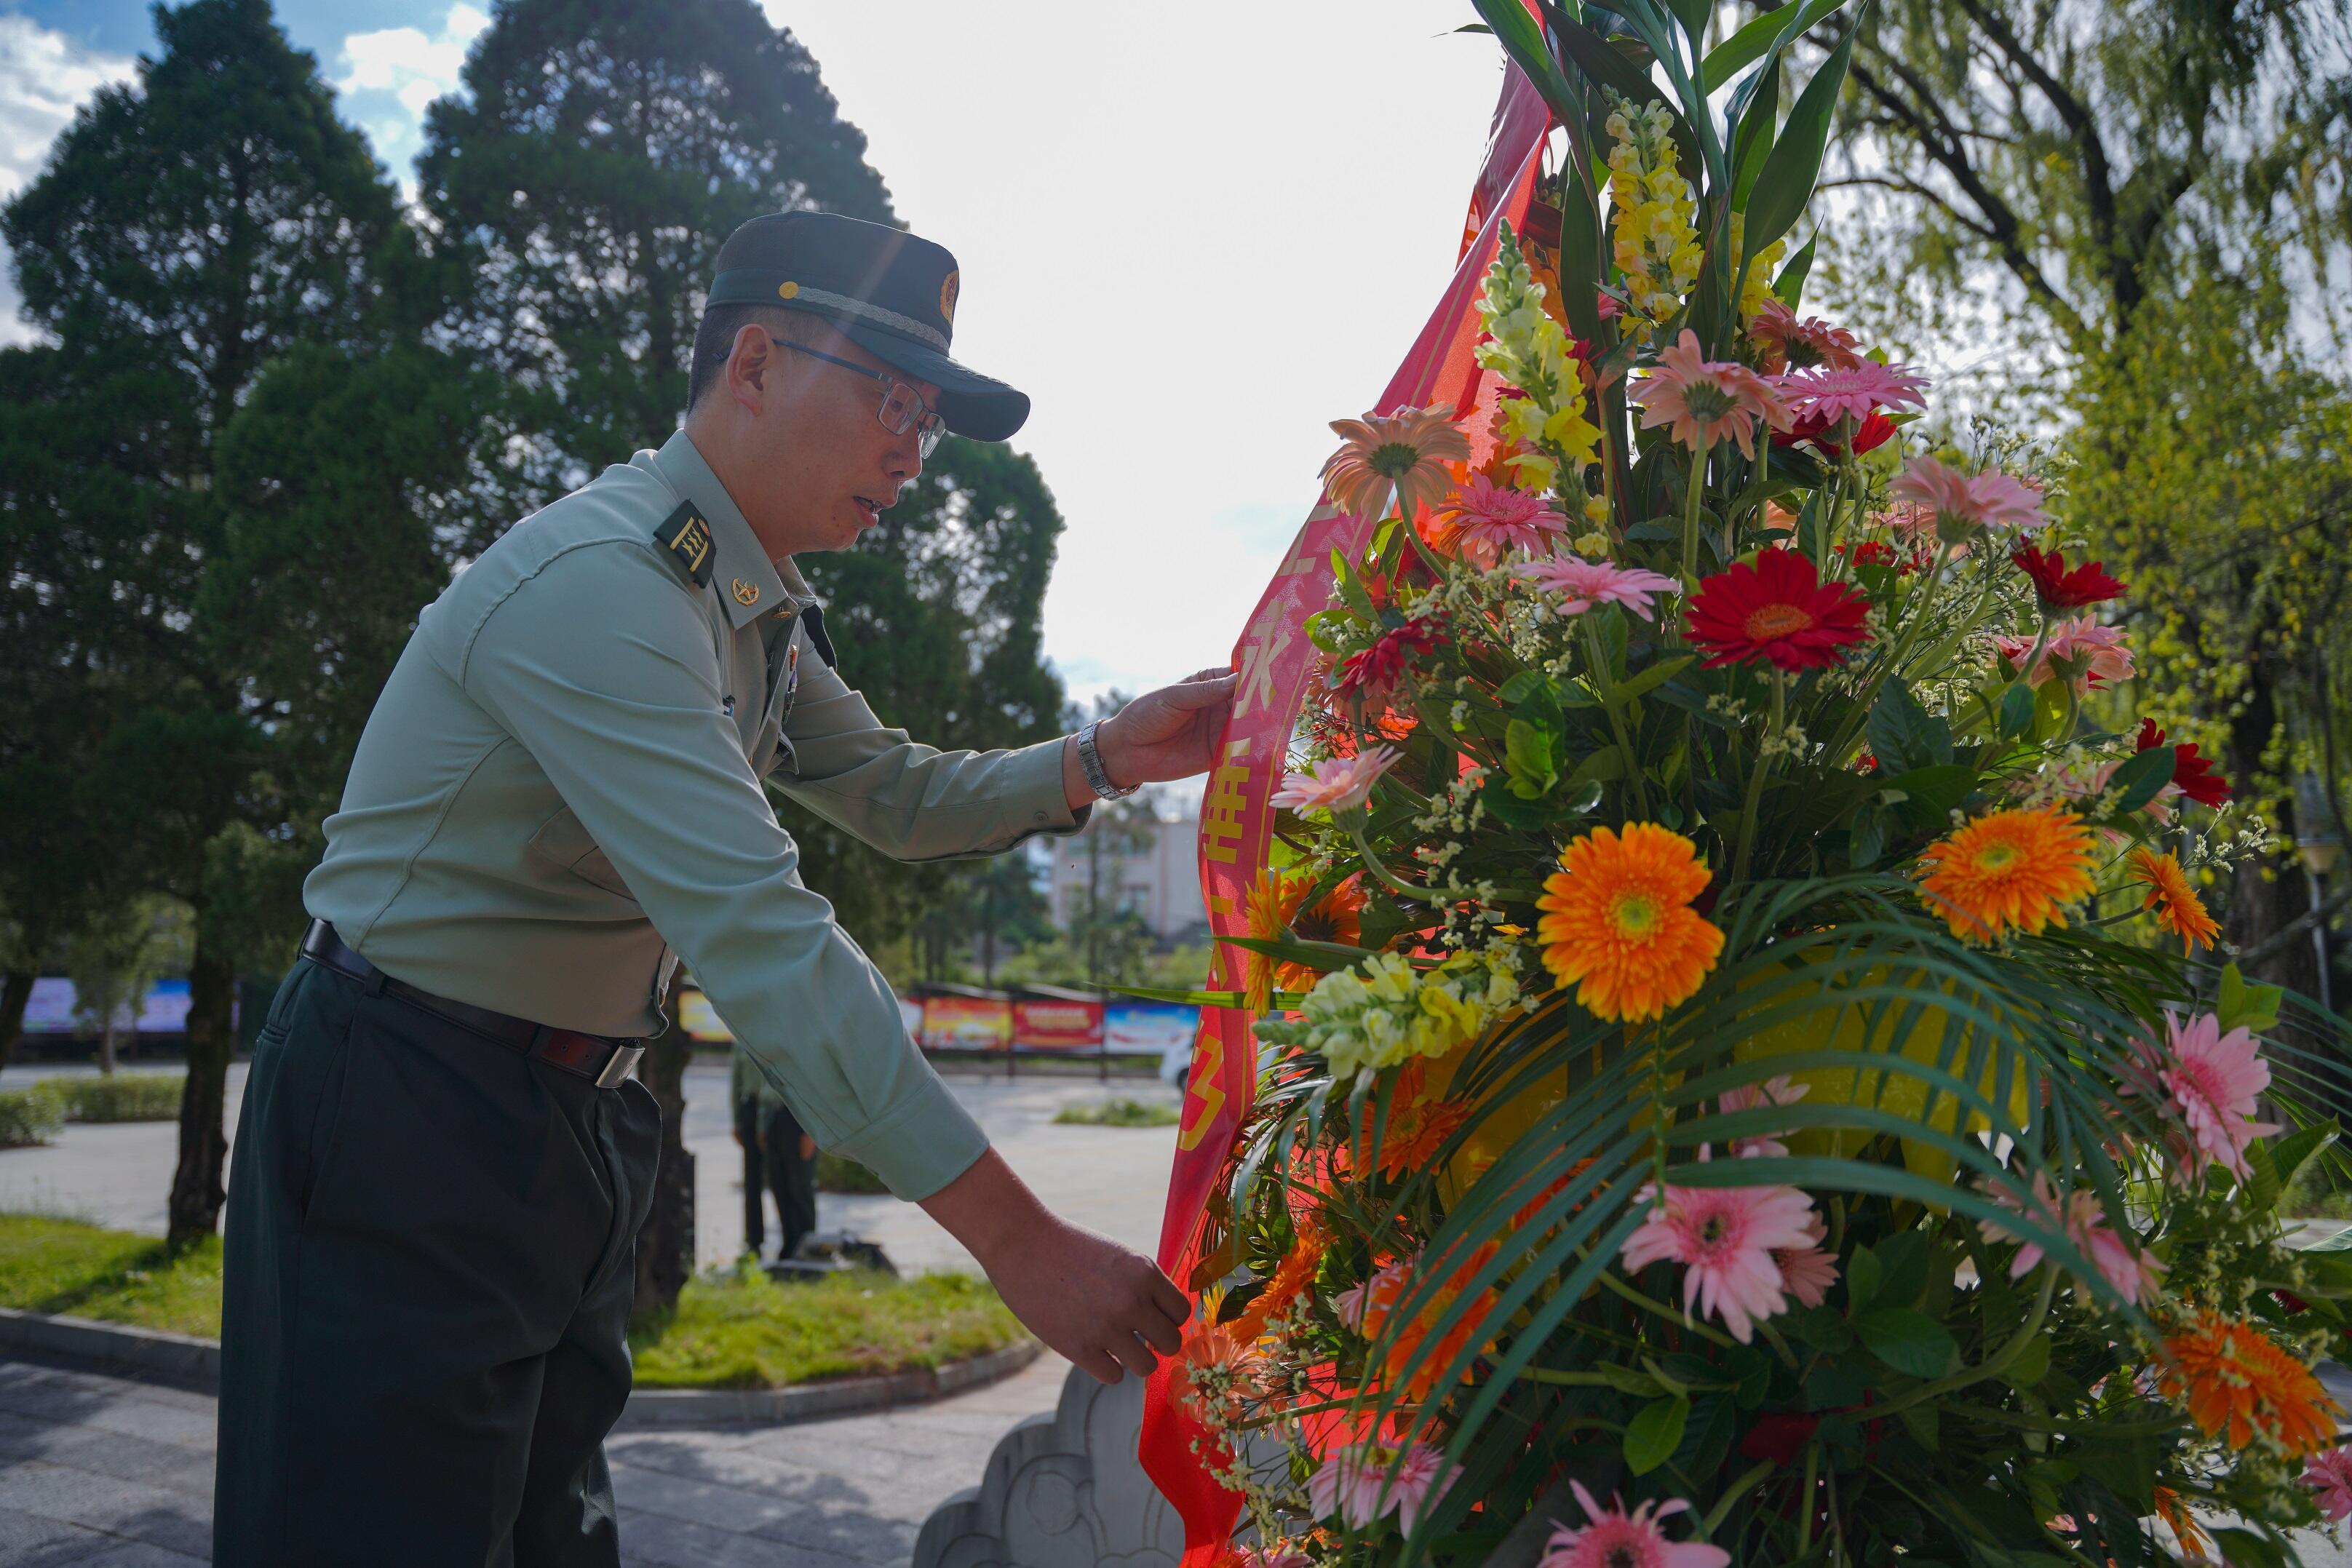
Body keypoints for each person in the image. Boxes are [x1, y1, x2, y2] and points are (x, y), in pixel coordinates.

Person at [215, 210, 1235, 1566]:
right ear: (752, 363)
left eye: (929, 421)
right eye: (890, 400)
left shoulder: (747, 600)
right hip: (407, 1114)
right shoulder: (608, 589)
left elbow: (893, 790)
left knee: (548, 1538)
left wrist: (1105, 755)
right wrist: (1018, 1238)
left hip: (564, 1122)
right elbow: (764, 941)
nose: (911, 453)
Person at [732, 1033, 818, 1259]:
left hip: (798, 1119)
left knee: (799, 1185)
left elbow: (816, 1089)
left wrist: (812, 1132)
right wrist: (761, 1125)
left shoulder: (807, 1043)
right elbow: (763, 1091)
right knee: (780, 1184)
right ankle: (789, 1245)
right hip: (772, 1116)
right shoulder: (767, 1039)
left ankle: (807, 1244)